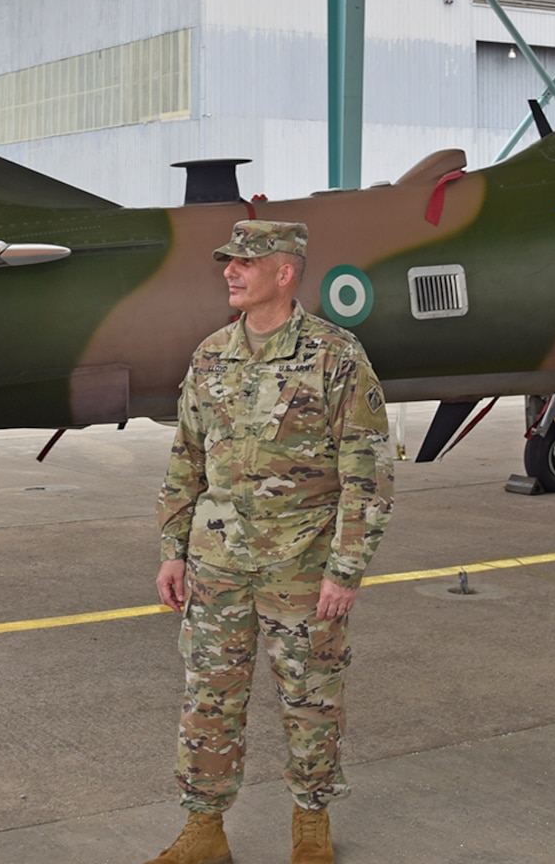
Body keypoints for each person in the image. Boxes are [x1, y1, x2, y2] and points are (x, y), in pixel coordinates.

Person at [146, 221, 394, 864]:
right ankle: (205, 829)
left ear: (285, 273)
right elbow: (186, 459)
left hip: (302, 567)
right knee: (208, 696)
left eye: (245, 263)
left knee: (310, 698)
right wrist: (173, 548)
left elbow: (367, 470)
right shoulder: (210, 355)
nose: (230, 271)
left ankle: (311, 821)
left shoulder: (336, 355)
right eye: (227, 262)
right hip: (217, 565)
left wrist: (345, 568)